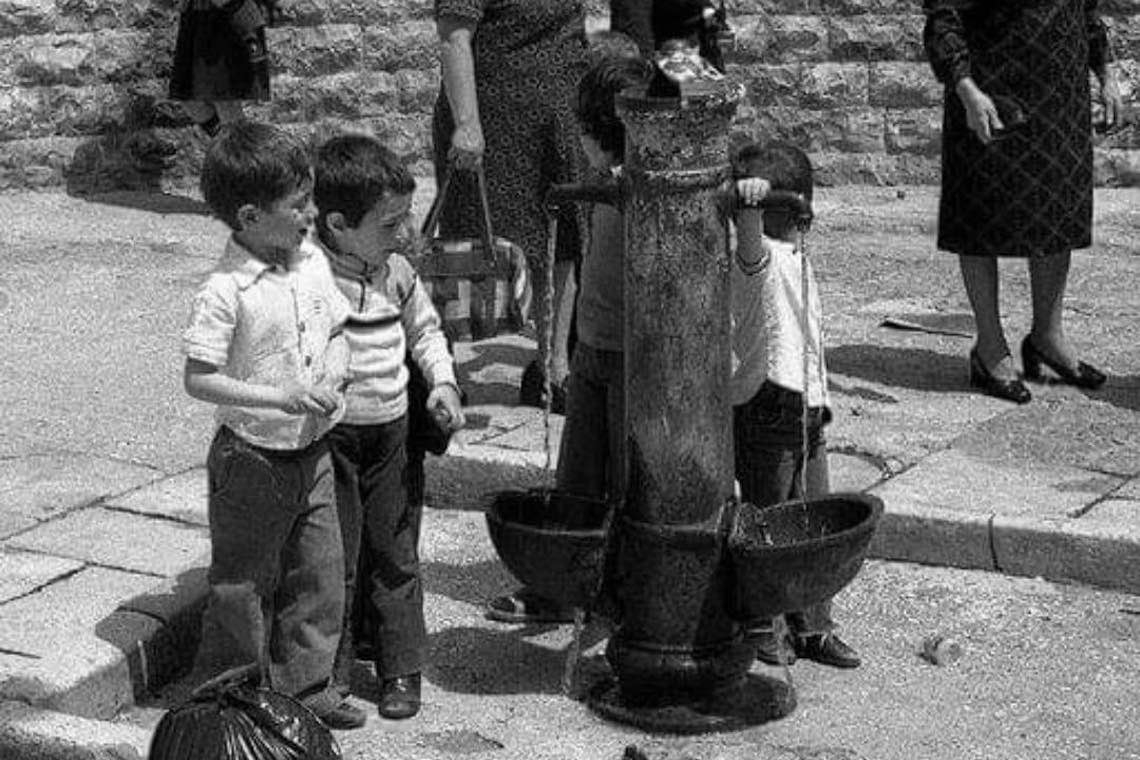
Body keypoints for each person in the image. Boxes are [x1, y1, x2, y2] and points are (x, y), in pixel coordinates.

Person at [181, 120, 367, 729]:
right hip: (251, 457)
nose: (312, 212)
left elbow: (339, 329)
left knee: (318, 573)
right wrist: (276, 396)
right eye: (298, 204)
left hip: (311, 451)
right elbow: (199, 378)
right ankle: (229, 700)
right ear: (250, 217)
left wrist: (335, 374)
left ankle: (304, 690)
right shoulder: (225, 290)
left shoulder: (311, 260)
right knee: (242, 586)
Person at [486, 52, 654, 624]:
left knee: (631, 479)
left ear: (592, 131)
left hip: (637, 356)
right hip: (595, 350)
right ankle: (562, 585)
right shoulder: (600, 183)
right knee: (578, 476)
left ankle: (628, 592)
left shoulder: (644, 187)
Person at [312, 133, 465, 720]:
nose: (403, 234)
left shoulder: (398, 273)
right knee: (338, 556)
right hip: (335, 437)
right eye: (389, 224)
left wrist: (444, 385)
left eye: (406, 219)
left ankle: (402, 670)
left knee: (396, 551)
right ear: (338, 225)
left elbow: (426, 333)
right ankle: (333, 670)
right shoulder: (312, 278)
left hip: (392, 436)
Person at [922, 1, 1123, 403]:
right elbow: (943, 22)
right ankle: (989, 348)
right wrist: (967, 90)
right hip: (990, 96)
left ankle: (1047, 338)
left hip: (1060, 101)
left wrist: (1106, 72)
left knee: (1058, 212)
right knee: (979, 215)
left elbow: (1085, 12)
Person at [730, 141, 860, 669]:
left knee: (814, 519)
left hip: (808, 405)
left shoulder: (799, 256)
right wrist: (749, 207)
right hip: (769, 402)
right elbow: (750, 248)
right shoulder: (753, 256)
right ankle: (763, 625)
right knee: (769, 521)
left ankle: (813, 624)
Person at [432, 0, 589, 411]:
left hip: (560, 118)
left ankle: (552, 367)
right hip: (493, 117)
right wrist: (467, 124)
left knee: (564, 235)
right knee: (465, 242)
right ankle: (439, 368)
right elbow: (453, 38)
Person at [169, 0, 273, 136]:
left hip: (231, 17)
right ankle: (231, 147)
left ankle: (235, 150)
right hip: (195, 19)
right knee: (188, 98)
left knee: (225, 99)